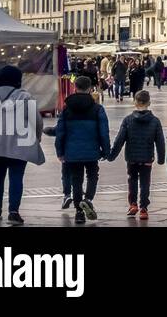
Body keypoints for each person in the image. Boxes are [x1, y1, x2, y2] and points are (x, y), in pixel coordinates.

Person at [0, 65, 45, 225]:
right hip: (20, 144)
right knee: (16, 177)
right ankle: (14, 212)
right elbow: (37, 121)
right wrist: (37, 136)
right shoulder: (25, 97)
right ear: (18, 80)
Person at [55, 74, 111, 224]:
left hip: (72, 151)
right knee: (93, 175)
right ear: (90, 88)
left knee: (76, 180)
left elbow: (60, 131)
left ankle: (79, 213)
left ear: (75, 87)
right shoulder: (97, 108)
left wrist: (59, 151)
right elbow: (104, 131)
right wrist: (106, 150)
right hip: (92, 150)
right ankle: (88, 199)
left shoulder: (66, 109)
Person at [108, 89, 166, 219]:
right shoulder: (155, 121)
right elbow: (160, 142)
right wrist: (161, 158)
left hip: (132, 157)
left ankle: (133, 204)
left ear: (135, 103)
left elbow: (119, 140)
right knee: (145, 182)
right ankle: (144, 208)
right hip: (147, 158)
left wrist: (111, 155)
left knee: (132, 180)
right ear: (149, 103)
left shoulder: (128, 120)